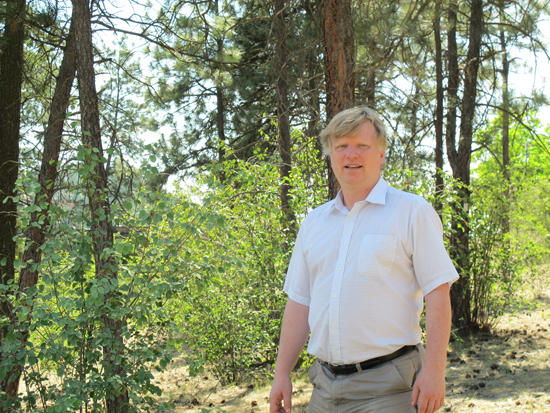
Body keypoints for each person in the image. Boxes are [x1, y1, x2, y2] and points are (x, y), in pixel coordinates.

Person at [269, 106, 459, 413]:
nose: (350, 155)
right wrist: (281, 373)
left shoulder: (411, 212)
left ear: (381, 154)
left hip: (390, 389)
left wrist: (435, 371)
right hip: (324, 389)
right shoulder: (314, 223)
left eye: (362, 146)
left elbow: (438, 292)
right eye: (341, 147)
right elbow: (299, 303)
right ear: (330, 155)